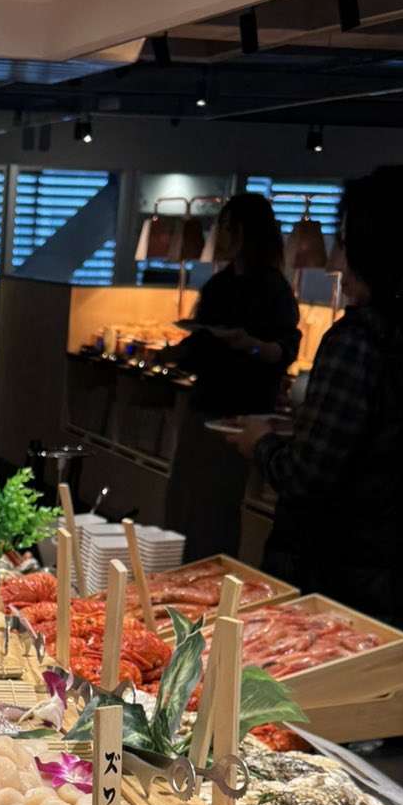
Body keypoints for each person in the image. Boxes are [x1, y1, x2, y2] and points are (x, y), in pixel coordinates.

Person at [236, 162, 403, 745]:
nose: (339, 258)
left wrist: (261, 445)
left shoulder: (362, 337)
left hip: (350, 589)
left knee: (308, 745)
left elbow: (310, 477)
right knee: (401, 740)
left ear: (375, 247)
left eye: (347, 240)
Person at [162, 191, 301, 560]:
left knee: (216, 509)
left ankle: (211, 582)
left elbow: (284, 350)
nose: (219, 235)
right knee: (183, 500)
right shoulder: (219, 285)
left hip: (240, 416)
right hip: (204, 406)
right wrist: (176, 354)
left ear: (245, 233)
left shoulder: (273, 289)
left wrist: (249, 345)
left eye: (226, 227)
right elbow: (202, 345)